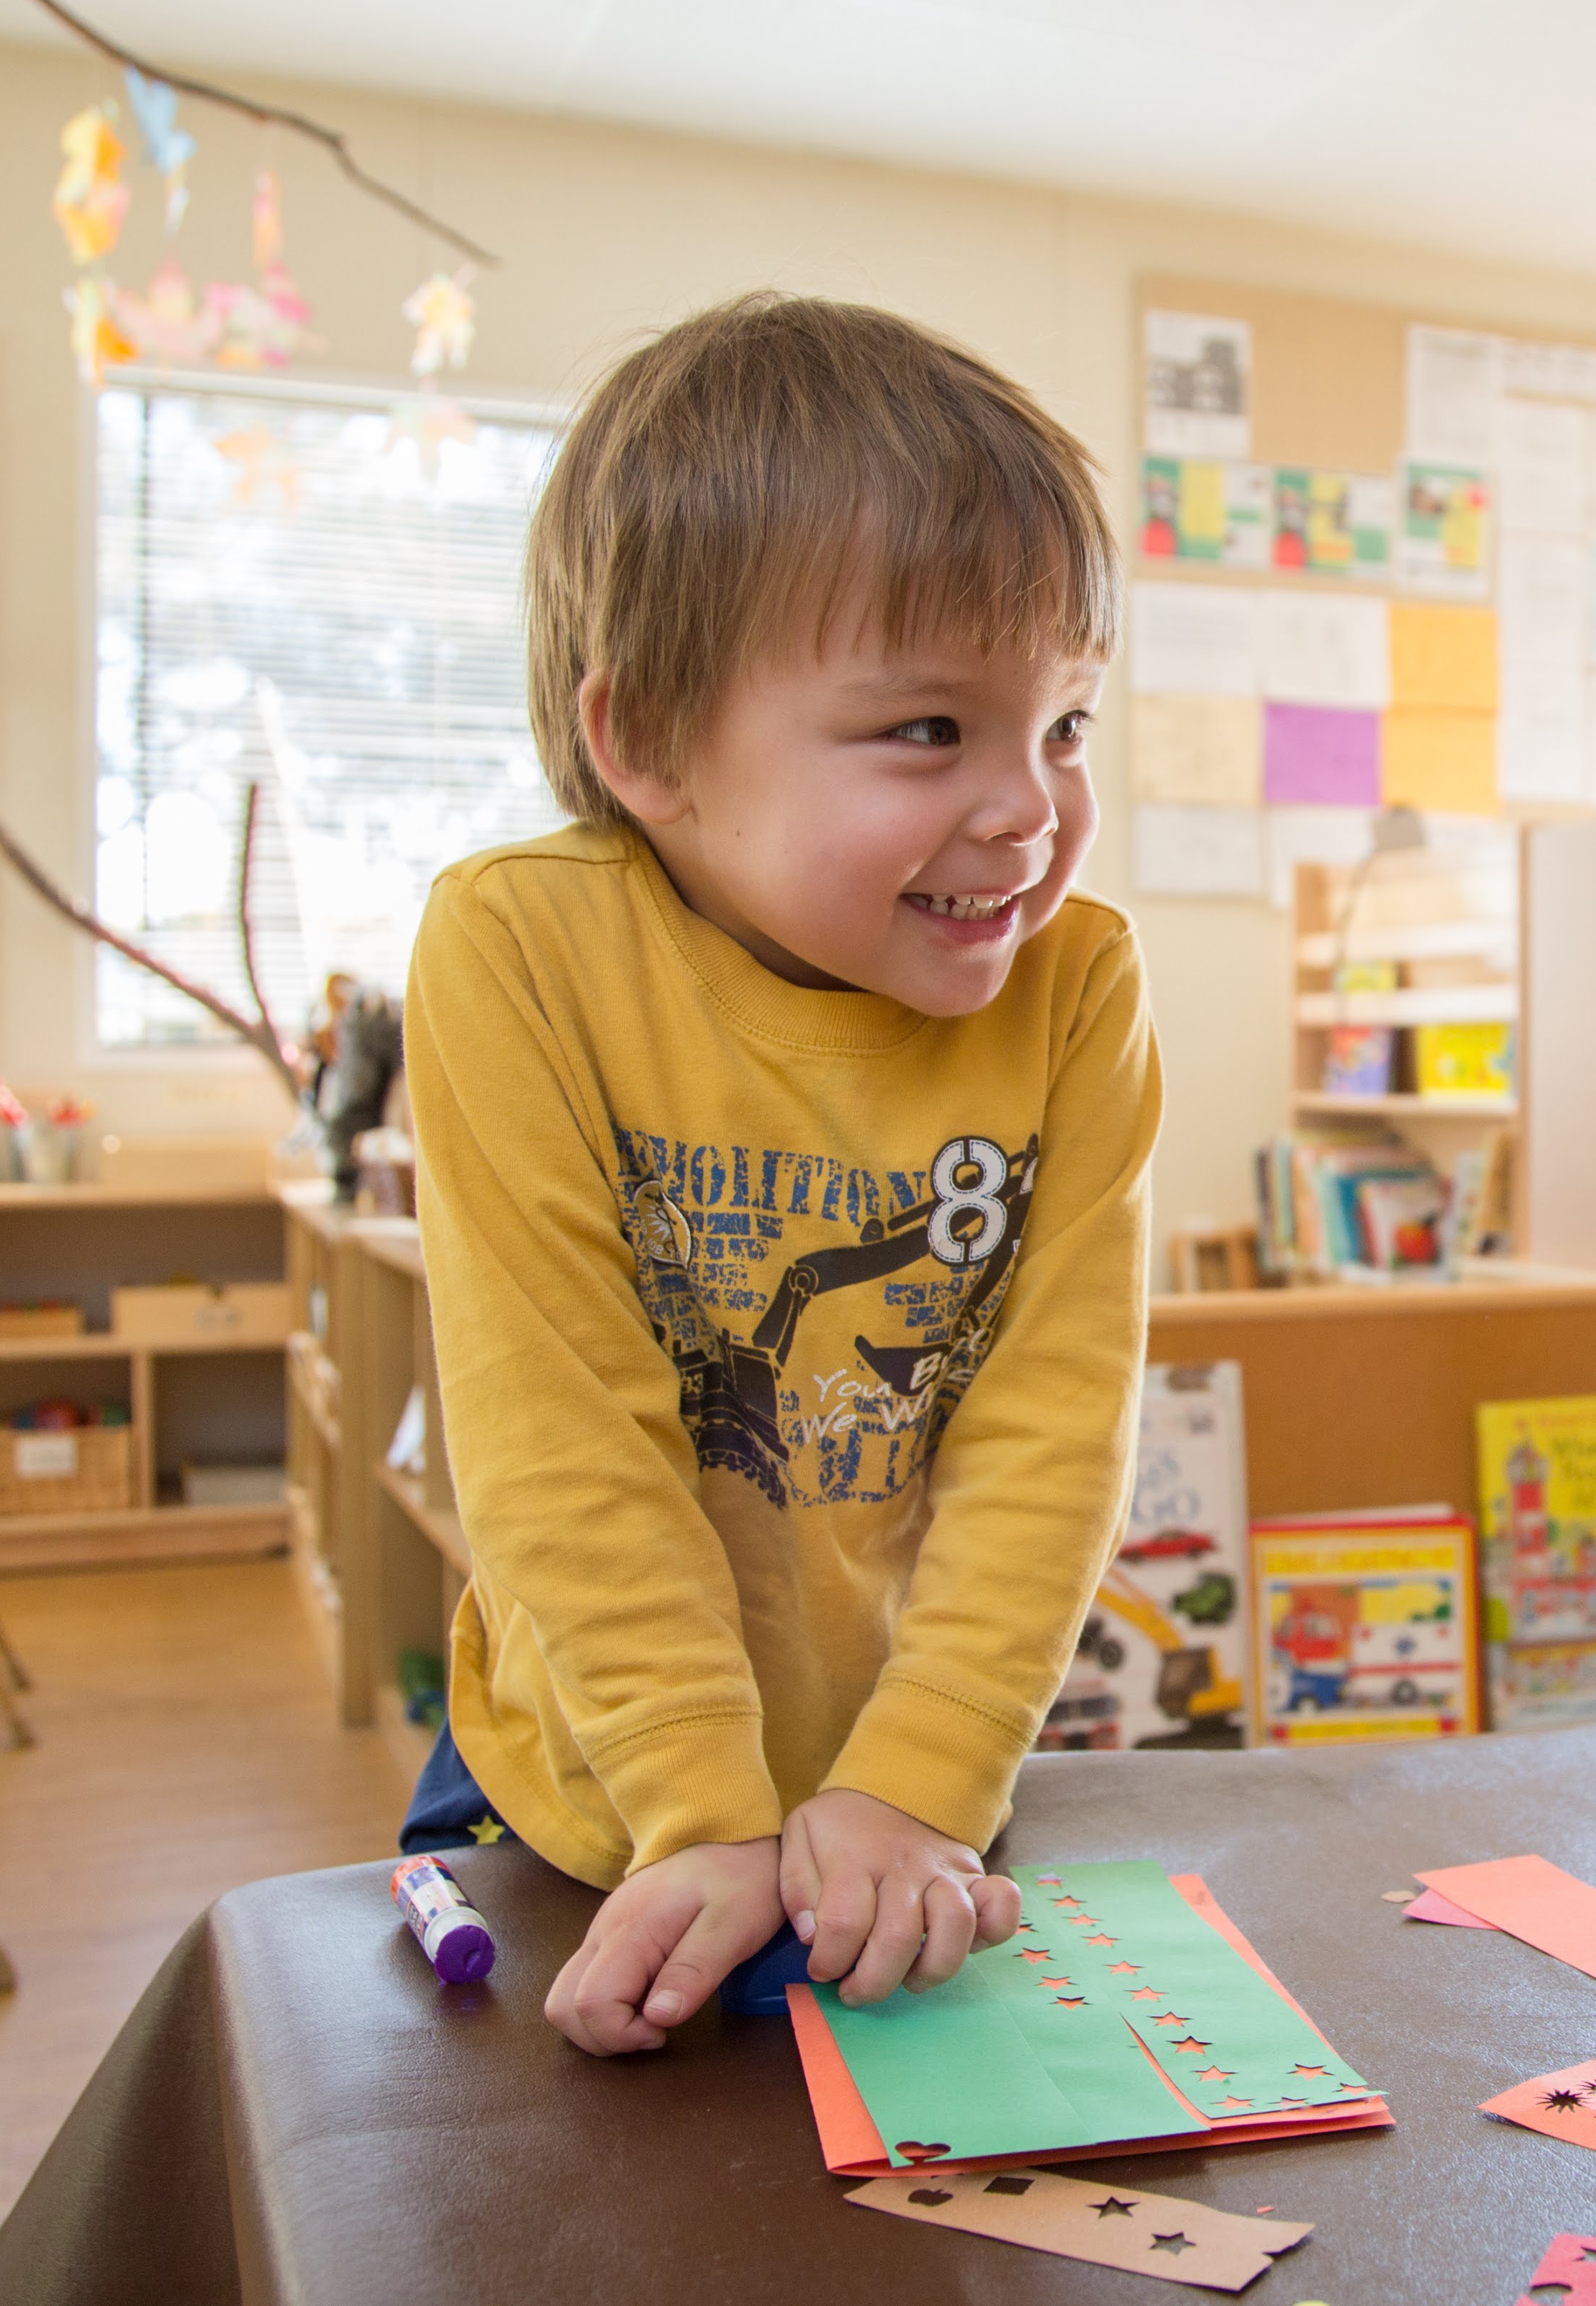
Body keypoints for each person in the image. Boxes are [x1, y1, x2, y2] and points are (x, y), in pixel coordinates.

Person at [399, 293, 1155, 2054]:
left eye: (1064, 723)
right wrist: (697, 1800)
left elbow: (1050, 1431)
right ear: (648, 740)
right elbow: (556, 1431)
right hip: (591, 1792)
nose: (1030, 807)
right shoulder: (518, 947)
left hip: (909, 1794)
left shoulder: (1077, 987)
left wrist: (915, 1781)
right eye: (926, 732)